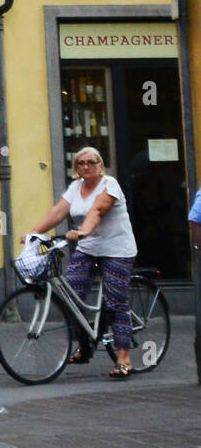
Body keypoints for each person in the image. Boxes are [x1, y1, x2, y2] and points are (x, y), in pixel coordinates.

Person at [28, 146, 138, 377]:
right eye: (81, 163)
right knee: (71, 294)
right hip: (89, 248)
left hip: (117, 249)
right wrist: (34, 234)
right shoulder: (76, 187)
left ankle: (124, 357)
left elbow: (98, 210)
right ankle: (85, 346)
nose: (86, 166)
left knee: (116, 301)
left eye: (91, 162)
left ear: (100, 166)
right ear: (76, 168)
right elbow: (58, 212)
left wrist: (83, 232)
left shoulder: (110, 185)